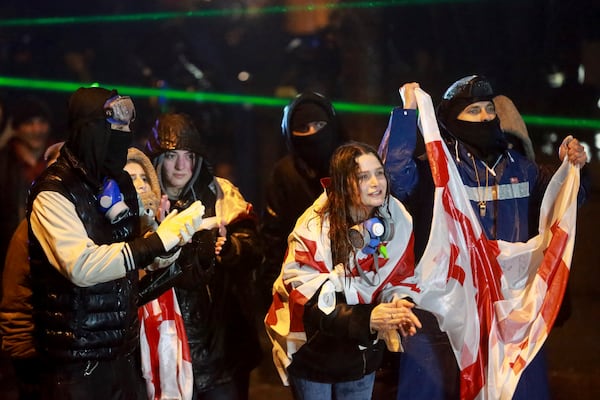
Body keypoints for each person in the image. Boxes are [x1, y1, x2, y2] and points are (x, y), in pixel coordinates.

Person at [378, 76, 589, 400]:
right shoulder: (436, 172)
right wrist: (407, 113)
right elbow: (392, 179)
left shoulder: (524, 170)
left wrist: (574, 166)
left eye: (489, 109)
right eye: (473, 110)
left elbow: (570, 198)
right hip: (442, 312)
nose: (485, 117)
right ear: (452, 120)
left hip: (509, 312)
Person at [26, 87, 205, 400]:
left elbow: (139, 248)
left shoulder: (118, 181)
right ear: (89, 130)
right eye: (115, 128)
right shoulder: (53, 192)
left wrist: (176, 239)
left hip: (121, 354)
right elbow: (81, 266)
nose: (123, 137)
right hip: (75, 365)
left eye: (127, 129)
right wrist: (160, 241)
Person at [265, 141, 422, 400]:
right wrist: (367, 318)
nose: (376, 183)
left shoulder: (396, 216)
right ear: (342, 184)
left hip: (360, 356)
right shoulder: (314, 228)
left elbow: (399, 274)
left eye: (379, 173)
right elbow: (308, 302)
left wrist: (400, 306)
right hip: (314, 353)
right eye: (363, 176)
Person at [141, 112, 263, 400]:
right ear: (157, 159)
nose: (182, 165)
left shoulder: (221, 194)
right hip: (165, 346)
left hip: (220, 347)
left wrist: (232, 247)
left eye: (189, 155)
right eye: (172, 156)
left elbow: (254, 247)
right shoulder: (141, 198)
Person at [259, 91, 343, 310]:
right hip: (300, 288)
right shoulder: (284, 174)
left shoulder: (353, 167)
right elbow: (273, 238)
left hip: (352, 285)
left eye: (319, 124)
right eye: (303, 129)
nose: (313, 134)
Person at [0, 142, 63, 400]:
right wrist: (31, 369)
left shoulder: (98, 227)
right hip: (44, 367)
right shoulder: (29, 231)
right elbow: (15, 308)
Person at [0, 95, 52, 290]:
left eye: (41, 122)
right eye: (29, 123)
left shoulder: (56, 161)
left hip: (47, 255)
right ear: (17, 128)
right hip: (8, 253)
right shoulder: (5, 163)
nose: (37, 130)